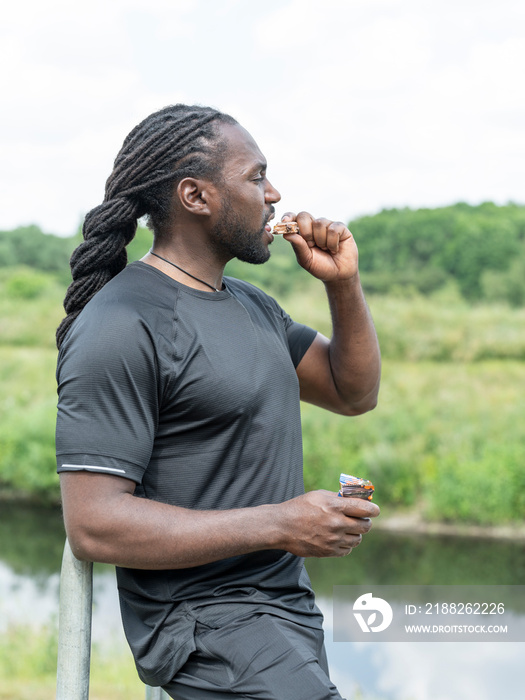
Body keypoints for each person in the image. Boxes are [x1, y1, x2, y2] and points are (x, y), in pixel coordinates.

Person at [55, 104, 381, 700]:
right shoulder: (121, 323)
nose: (275, 193)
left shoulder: (252, 305)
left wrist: (343, 284)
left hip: (282, 612)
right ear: (195, 196)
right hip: (204, 624)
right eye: (256, 177)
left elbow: (351, 390)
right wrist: (284, 522)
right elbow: (94, 526)